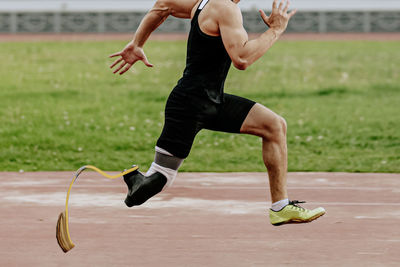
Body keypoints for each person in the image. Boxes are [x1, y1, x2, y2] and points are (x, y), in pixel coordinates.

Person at [109, 0, 325, 225]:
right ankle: (135, 181)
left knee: (274, 125)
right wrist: (276, 30)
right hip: (189, 104)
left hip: (210, 101)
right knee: (159, 180)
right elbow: (241, 58)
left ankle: (280, 207)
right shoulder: (226, 8)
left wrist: (137, 43)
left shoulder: (201, 2)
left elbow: (164, 5)